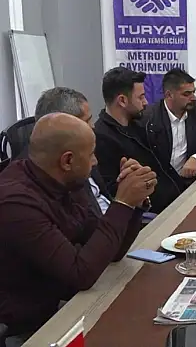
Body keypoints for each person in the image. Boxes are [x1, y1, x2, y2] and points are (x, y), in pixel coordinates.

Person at [0, 113, 155, 344]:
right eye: (91, 154)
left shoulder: (65, 182)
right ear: (67, 161)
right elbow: (81, 274)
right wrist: (123, 203)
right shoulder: (16, 203)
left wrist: (134, 203)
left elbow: (110, 251)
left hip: (66, 302)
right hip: (31, 326)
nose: (96, 162)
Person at [94, 67, 184, 214]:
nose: (146, 102)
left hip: (175, 201)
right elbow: (113, 194)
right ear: (122, 100)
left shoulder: (142, 125)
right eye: (141, 97)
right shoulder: (102, 138)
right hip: (151, 215)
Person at [33, 87, 110, 216]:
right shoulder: (58, 178)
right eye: (87, 121)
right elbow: (91, 224)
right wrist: (124, 203)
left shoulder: (83, 148)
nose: (93, 126)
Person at [144, 69, 196, 180]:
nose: (193, 98)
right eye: (186, 94)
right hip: (158, 181)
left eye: (193, 92)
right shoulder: (150, 116)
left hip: (187, 179)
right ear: (169, 95)